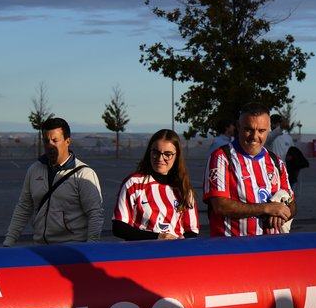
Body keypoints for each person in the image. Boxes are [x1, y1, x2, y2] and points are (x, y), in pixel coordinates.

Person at [3, 117, 104, 246]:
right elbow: (23, 207)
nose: (50, 145)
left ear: (67, 141)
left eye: (55, 140)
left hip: (72, 249)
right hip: (41, 248)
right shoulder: (34, 170)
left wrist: (91, 247)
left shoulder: (84, 174)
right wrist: (9, 241)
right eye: (46, 141)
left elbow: (95, 213)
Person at [204, 103, 296, 237]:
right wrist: (266, 208)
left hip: (271, 248)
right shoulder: (222, 157)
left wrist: (284, 212)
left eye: (261, 131)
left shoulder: (276, 161)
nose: (254, 136)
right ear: (238, 126)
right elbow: (220, 206)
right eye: (249, 129)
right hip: (233, 250)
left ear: (269, 130)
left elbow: (292, 202)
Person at [112, 129, 199, 240]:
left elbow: (191, 231)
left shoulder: (184, 188)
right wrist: (157, 237)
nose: (160, 158)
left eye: (167, 154)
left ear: (177, 156)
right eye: (156, 152)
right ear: (149, 152)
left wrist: (179, 243)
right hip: (141, 254)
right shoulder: (133, 184)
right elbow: (119, 227)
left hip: (175, 254)